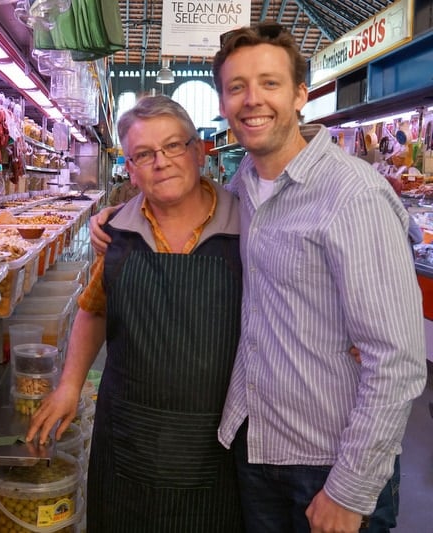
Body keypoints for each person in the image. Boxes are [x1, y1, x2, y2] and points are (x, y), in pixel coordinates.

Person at [89, 21, 427, 533]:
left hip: (328, 462)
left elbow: (398, 361)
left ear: (300, 94)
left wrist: (350, 489)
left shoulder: (351, 194)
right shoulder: (244, 186)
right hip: (254, 448)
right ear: (222, 105)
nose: (252, 100)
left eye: (269, 83)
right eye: (236, 87)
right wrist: (116, 216)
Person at [25, 95, 245, 532]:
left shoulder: (248, 226)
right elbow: (93, 311)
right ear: (130, 167)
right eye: (144, 154)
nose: (160, 162)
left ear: (198, 151)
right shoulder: (117, 232)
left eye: (173, 146)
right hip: (128, 439)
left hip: (217, 443)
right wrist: (69, 387)